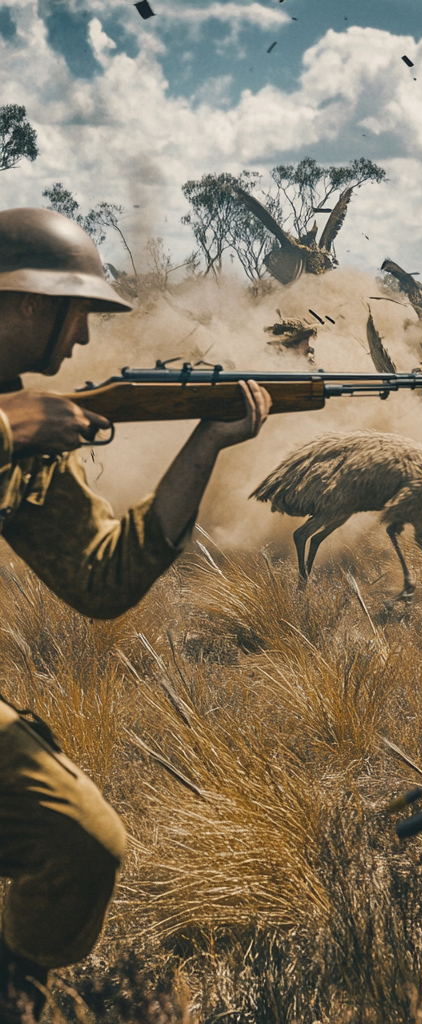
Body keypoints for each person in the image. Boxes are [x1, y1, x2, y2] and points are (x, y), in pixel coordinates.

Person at [0, 208, 272, 1021]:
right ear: (24, 304)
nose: (82, 340)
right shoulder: (18, 425)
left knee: (83, 841)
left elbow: (103, 579)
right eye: (75, 313)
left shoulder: (27, 428)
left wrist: (206, 444)